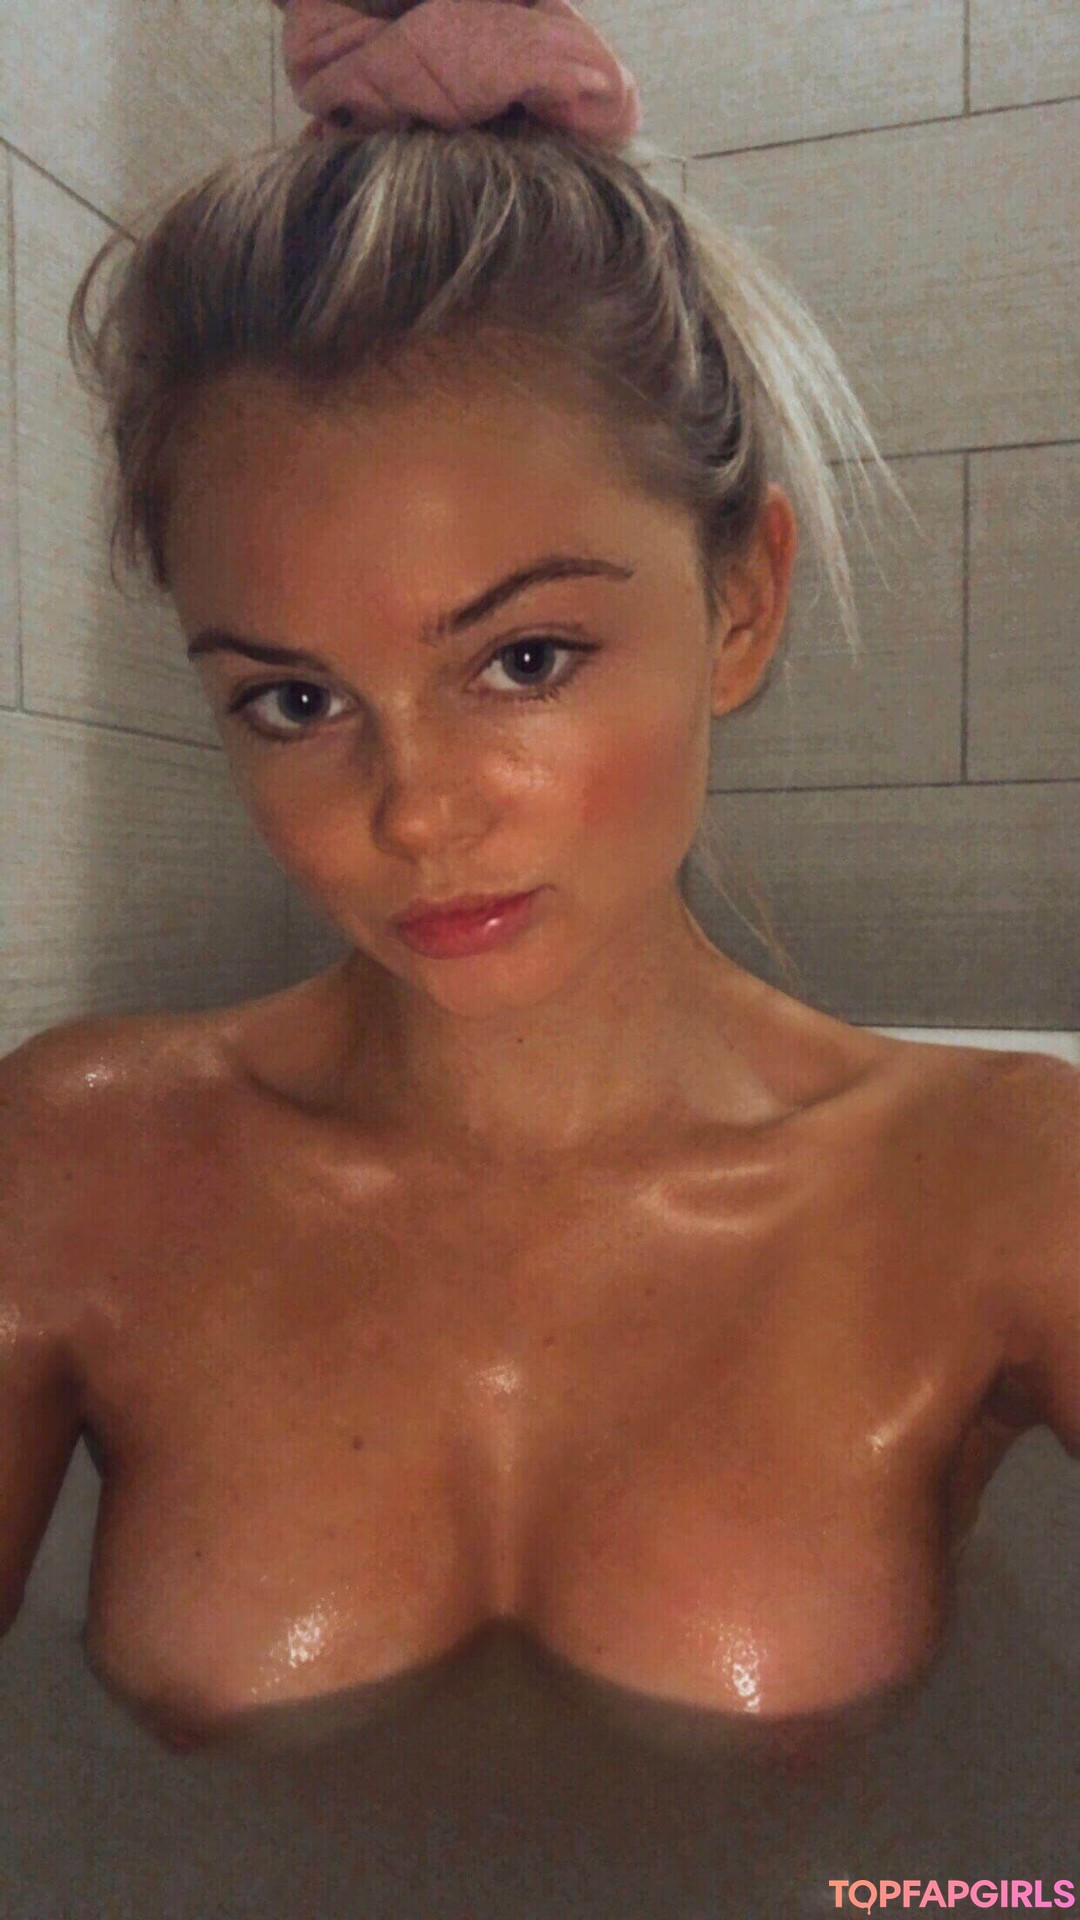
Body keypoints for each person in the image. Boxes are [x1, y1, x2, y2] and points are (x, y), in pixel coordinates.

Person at [1, 0, 1076, 1759]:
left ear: (742, 603)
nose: (418, 814)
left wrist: (972, 1898)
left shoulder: (1009, 1189)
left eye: (523, 660)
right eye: (294, 701)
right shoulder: (67, 1170)